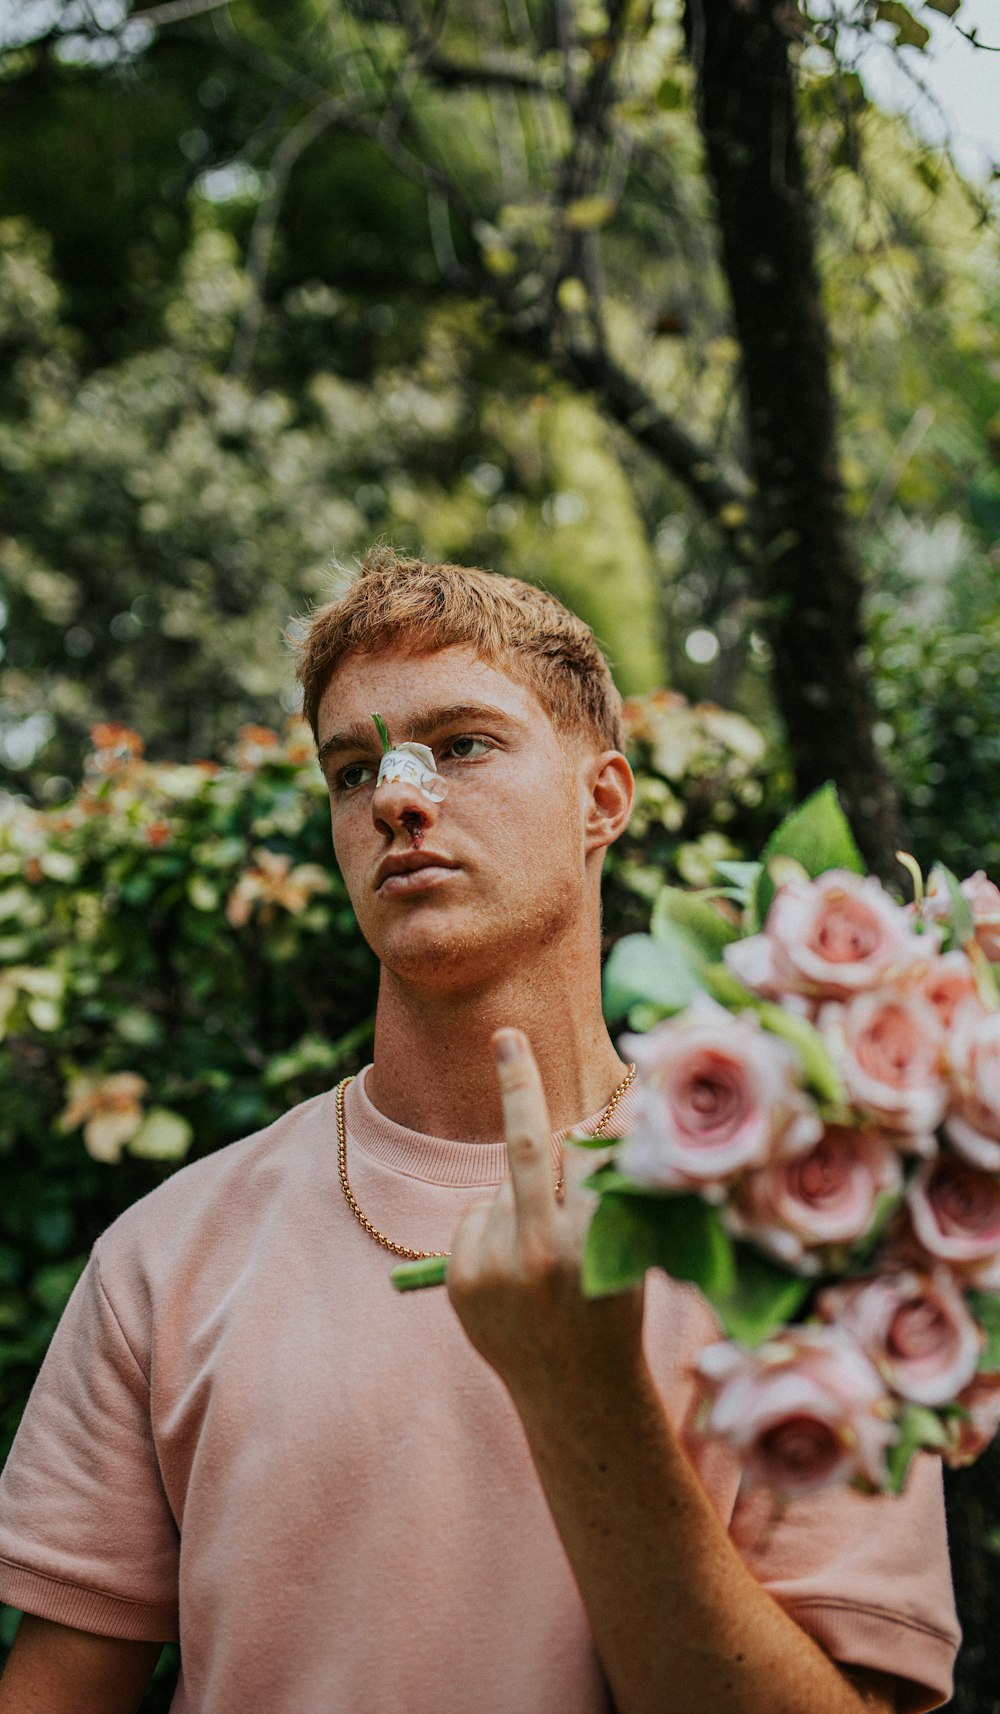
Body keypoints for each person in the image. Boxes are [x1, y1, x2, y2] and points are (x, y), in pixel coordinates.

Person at [0, 556, 959, 1714]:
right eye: (355, 768)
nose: (399, 798)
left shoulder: (801, 1221)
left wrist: (587, 1396)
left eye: (461, 744)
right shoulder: (162, 1257)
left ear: (601, 799)